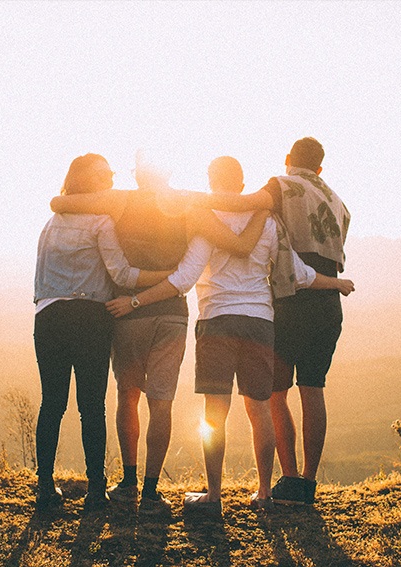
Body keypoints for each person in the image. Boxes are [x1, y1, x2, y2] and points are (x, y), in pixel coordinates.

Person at [106, 156, 353, 515]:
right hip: (260, 323)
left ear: (210, 181)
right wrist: (337, 283)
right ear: (241, 185)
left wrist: (135, 300)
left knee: (215, 414)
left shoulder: (206, 220)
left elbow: (184, 278)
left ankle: (214, 496)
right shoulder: (268, 222)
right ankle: (265, 493)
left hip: (217, 321)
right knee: (260, 411)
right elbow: (299, 273)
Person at [50, 153, 267, 515]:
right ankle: (151, 492)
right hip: (171, 314)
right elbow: (234, 239)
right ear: (168, 170)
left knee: (128, 395)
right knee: (161, 402)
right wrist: (262, 206)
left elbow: (60, 202)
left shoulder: (121, 200)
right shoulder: (189, 204)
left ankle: (129, 482)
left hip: (127, 313)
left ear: (138, 175)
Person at [192, 138, 351, 505]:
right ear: (321, 168)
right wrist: (338, 284)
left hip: (290, 299)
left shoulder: (281, 185)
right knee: (313, 389)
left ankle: (288, 479)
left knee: (273, 395)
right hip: (327, 302)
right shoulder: (339, 203)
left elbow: (243, 204)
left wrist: (189, 200)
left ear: (288, 160)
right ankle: (307, 484)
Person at [33, 153, 172, 512]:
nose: (111, 178)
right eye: (104, 174)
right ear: (88, 181)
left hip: (48, 317)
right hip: (90, 318)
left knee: (52, 404)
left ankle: (45, 488)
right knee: (91, 406)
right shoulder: (101, 221)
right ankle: (96, 490)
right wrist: (168, 277)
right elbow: (122, 276)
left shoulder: (51, 223)